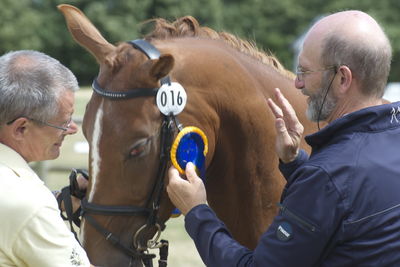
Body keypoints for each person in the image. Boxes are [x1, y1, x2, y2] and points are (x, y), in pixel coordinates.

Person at [166, 10, 400, 266]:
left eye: (305, 71)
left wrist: (197, 211)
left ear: (342, 78)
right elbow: (352, 201)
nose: (298, 84)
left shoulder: (327, 177)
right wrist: (294, 163)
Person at [0, 50, 95, 267]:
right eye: (63, 121)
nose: (71, 129)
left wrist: (60, 200)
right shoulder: (29, 205)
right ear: (21, 128)